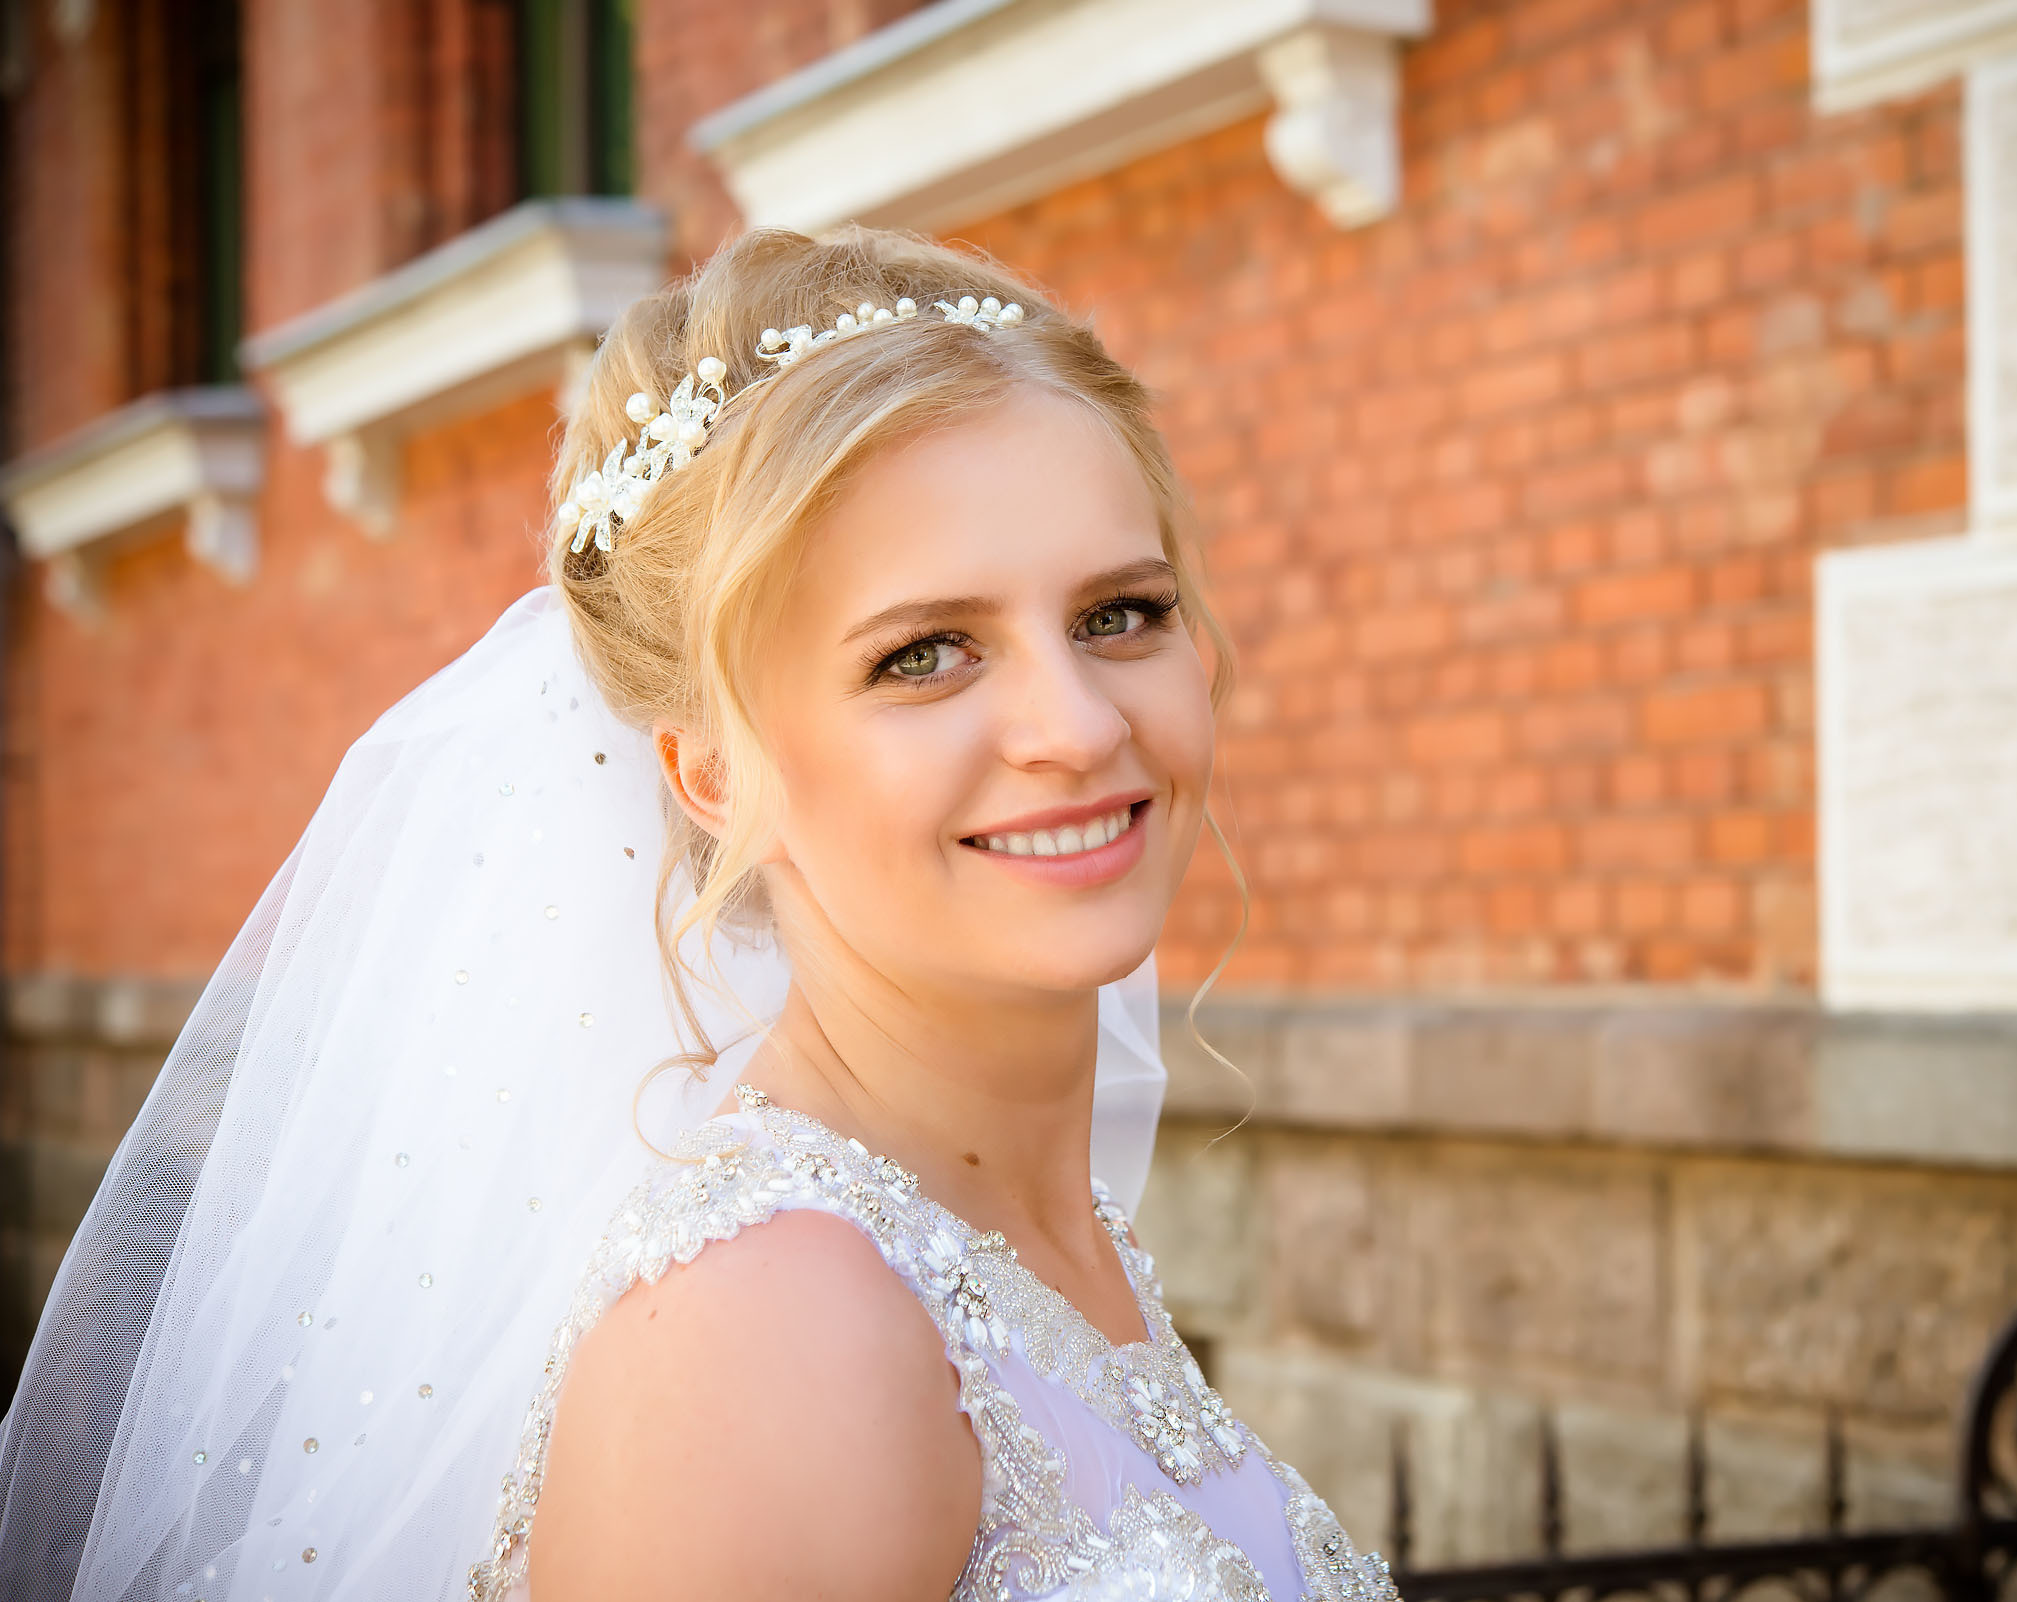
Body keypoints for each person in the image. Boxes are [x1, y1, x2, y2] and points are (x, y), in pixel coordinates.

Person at [0, 224, 1396, 1602]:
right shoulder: (775, 1334)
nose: (1077, 724)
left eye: (1120, 615)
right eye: (925, 654)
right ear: (714, 770)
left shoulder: (1028, 1231)